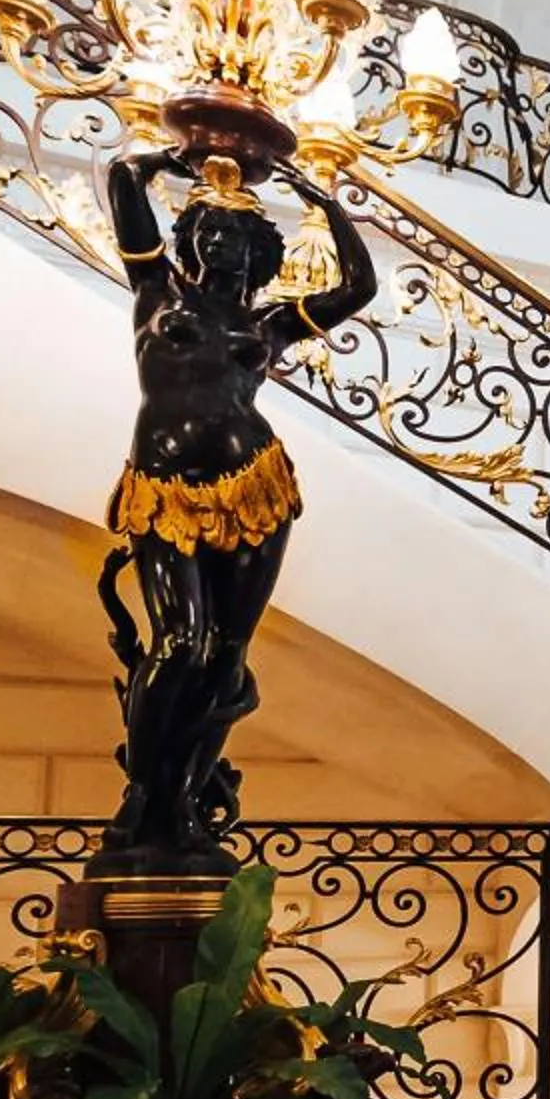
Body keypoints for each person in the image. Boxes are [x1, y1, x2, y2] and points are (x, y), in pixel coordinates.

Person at [94, 148, 376, 876]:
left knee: (225, 657)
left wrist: (327, 203)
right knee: (180, 642)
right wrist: (173, 157)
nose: (222, 244)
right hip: (165, 489)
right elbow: (124, 181)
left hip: (255, 487)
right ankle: (144, 795)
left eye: (239, 238)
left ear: (260, 255)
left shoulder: (273, 325)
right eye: (211, 233)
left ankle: (185, 802)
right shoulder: (155, 290)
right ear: (189, 240)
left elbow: (360, 285)